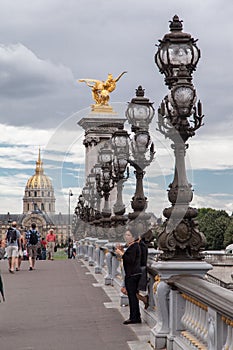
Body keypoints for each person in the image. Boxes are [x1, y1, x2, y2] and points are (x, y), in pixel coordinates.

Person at [115, 228, 142, 325]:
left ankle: (134, 317)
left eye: (128, 235)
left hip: (133, 275)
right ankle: (135, 316)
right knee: (131, 296)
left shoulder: (134, 246)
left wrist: (121, 253)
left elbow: (130, 260)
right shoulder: (132, 247)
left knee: (132, 296)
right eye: (125, 235)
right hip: (131, 274)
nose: (126, 237)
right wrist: (122, 251)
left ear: (133, 237)